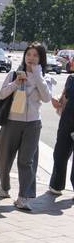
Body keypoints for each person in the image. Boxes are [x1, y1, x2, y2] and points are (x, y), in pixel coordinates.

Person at [0, 43, 53, 210]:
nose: (31, 58)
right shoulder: (14, 73)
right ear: (25, 56)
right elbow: (2, 94)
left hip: (33, 124)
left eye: (36, 55)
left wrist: (37, 76)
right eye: (29, 54)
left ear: (41, 58)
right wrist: (15, 83)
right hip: (12, 122)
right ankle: (4, 187)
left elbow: (46, 98)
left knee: (26, 161)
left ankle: (23, 197)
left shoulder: (45, 78)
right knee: (4, 157)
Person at [49, 59, 74, 195]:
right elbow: (64, 96)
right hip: (66, 122)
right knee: (59, 154)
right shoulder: (71, 78)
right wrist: (57, 99)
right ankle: (56, 185)